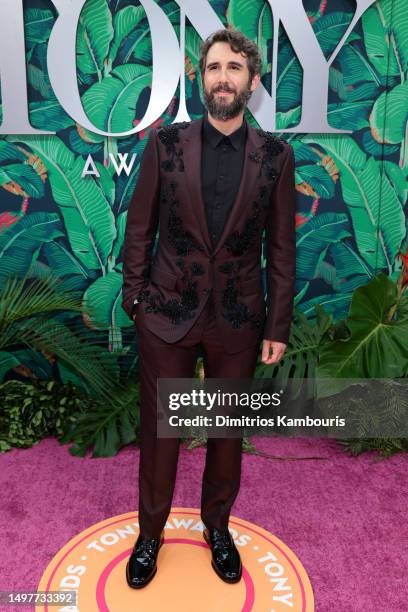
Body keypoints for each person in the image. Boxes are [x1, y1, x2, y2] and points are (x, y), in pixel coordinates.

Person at [121, 28, 296, 589]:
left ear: (253, 81)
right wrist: (136, 300)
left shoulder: (276, 156)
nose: (223, 77)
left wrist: (277, 324)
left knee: (225, 434)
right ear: (201, 77)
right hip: (166, 312)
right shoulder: (165, 145)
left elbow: (282, 249)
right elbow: (140, 228)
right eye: (214, 67)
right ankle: (151, 535)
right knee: (161, 433)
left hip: (239, 319)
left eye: (235, 68)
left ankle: (216, 528)